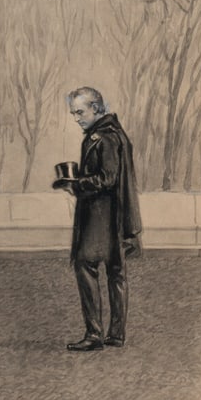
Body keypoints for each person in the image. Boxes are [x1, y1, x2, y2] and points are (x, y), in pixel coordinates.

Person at [64, 87, 142, 352]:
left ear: (96, 108)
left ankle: (95, 334)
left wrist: (77, 184)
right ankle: (116, 335)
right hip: (118, 218)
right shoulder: (116, 134)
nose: (76, 118)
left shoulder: (103, 137)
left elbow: (107, 179)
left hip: (101, 218)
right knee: (116, 273)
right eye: (74, 113)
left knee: (85, 265)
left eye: (80, 112)